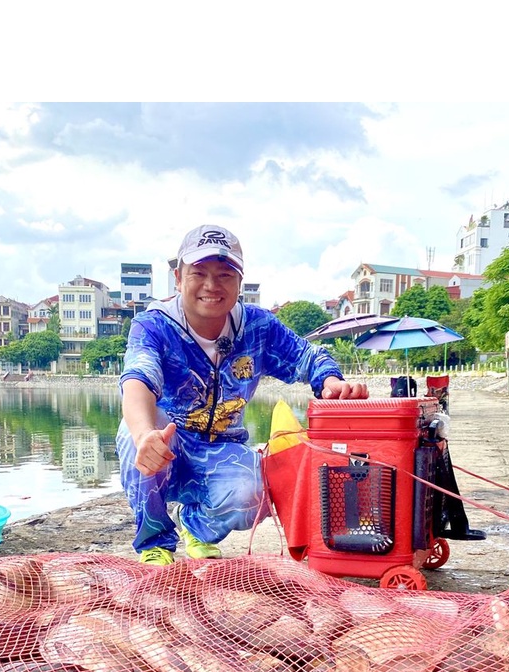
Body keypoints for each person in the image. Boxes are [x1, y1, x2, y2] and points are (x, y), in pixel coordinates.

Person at [117, 223, 369, 564]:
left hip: (223, 445)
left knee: (257, 493)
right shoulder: (154, 325)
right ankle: (155, 543)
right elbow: (138, 378)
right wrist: (144, 432)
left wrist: (330, 381)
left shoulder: (258, 326)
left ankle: (196, 525)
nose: (211, 285)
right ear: (178, 278)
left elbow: (308, 357)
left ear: (239, 281)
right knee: (138, 439)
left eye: (224, 274)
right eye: (199, 273)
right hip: (168, 440)